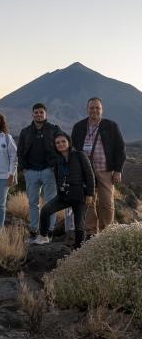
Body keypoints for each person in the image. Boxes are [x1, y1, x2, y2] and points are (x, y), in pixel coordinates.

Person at [71, 97, 126, 237]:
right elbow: (74, 149)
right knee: (89, 202)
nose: (94, 110)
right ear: (87, 109)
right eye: (92, 107)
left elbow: (120, 148)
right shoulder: (78, 127)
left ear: (102, 109)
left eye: (97, 108)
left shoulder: (111, 126)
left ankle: (106, 233)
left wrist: (118, 170)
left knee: (107, 203)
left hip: (105, 171)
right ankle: (91, 232)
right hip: (85, 171)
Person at [34, 133, 95, 247]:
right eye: (57, 143)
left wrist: (90, 194)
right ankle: (43, 237)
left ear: (69, 142)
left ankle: (79, 247)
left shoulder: (80, 155)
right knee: (45, 210)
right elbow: (58, 178)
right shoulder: (58, 160)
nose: (60, 144)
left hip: (79, 195)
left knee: (79, 223)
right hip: (63, 196)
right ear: (55, 146)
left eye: (63, 141)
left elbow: (89, 175)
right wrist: (59, 192)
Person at [17, 103, 61, 241]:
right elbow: (20, 151)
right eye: (36, 112)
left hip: (49, 170)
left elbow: (63, 145)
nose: (39, 115)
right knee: (33, 203)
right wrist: (24, 168)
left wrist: (57, 166)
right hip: (31, 171)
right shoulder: (25, 131)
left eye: (41, 112)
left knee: (50, 202)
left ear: (45, 114)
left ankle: (49, 230)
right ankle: (34, 230)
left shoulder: (54, 129)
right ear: (32, 114)